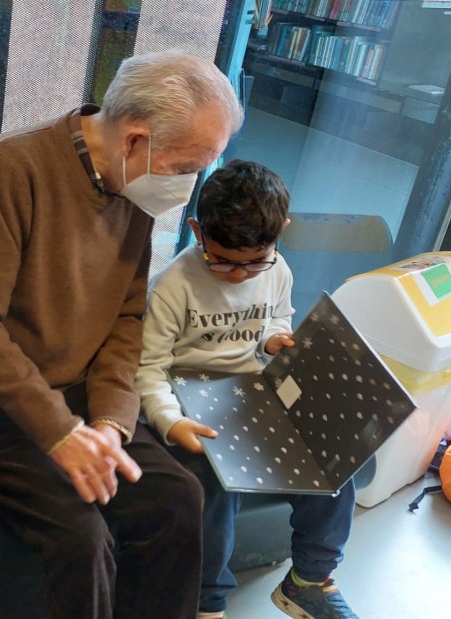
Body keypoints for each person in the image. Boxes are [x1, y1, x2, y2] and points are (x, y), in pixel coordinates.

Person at [0, 52, 243, 619]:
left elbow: (126, 319)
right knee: (81, 538)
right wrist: (60, 432)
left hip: (78, 391)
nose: (188, 185)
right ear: (134, 140)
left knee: (177, 500)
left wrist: (111, 421)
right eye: (186, 166)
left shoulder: (136, 185)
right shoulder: (12, 169)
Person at [134, 159, 358, 619]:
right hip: (188, 400)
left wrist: (273, 341)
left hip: (251, 394)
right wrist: (170, 422)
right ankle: (206, 604)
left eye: (254, 262)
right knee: (213, 487)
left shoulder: (278, 271)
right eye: (222, 261)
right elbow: (148, 368)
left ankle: (309, 581)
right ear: (197, 231)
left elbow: (277, 319)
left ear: (281, 234)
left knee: (334, 465)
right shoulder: (172, 286)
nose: (238, 275)